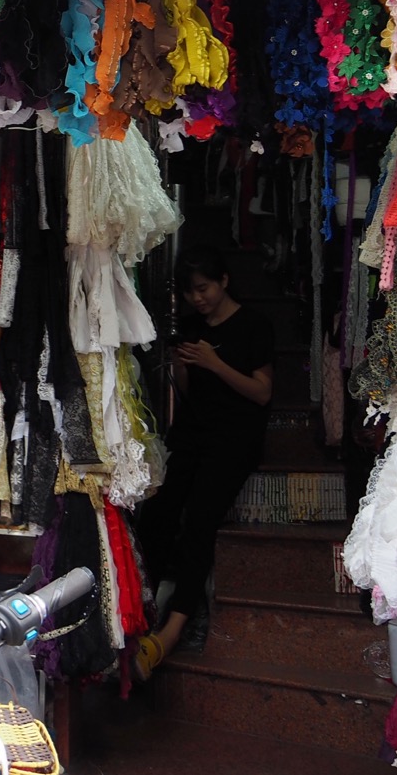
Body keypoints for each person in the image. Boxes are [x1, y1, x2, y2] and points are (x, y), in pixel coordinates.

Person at [133, 246, 274, 680]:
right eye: (190, 292)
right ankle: (139, 615)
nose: (198, 298)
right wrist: (184, 368)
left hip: (235, 438)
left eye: (204, 288)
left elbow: (262, 393)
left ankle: (171, 632)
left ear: (223, 281)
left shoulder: (254, 324)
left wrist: (215, 362)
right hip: (193, 434)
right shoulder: (193, 329)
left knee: (199, 521)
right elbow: (193, 394)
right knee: (157, 513)